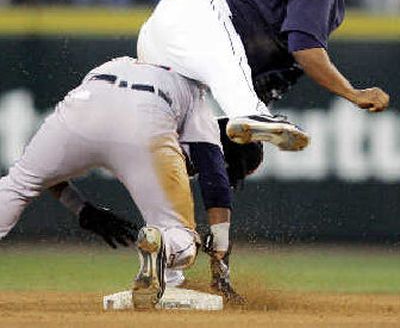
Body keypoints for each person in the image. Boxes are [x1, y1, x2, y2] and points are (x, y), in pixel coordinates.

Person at [0, 56, 262, 307]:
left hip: (85, 102)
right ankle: (164, 255)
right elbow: (215, 186)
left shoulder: (128, 63)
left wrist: (80, 208)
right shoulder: (198, 104)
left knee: (18, 184)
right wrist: (221, 272)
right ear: (226, 156)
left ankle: (167, 276)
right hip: (145, 117)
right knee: (179, 237)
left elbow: (40, 170)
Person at [137, 0, 392, 148]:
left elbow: (289, 48)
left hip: (166, 28)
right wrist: (354, 94)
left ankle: (213, 147)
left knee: (175, 133)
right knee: (246, 103)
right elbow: (307, 50)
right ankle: (250, 113)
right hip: (203, 18)